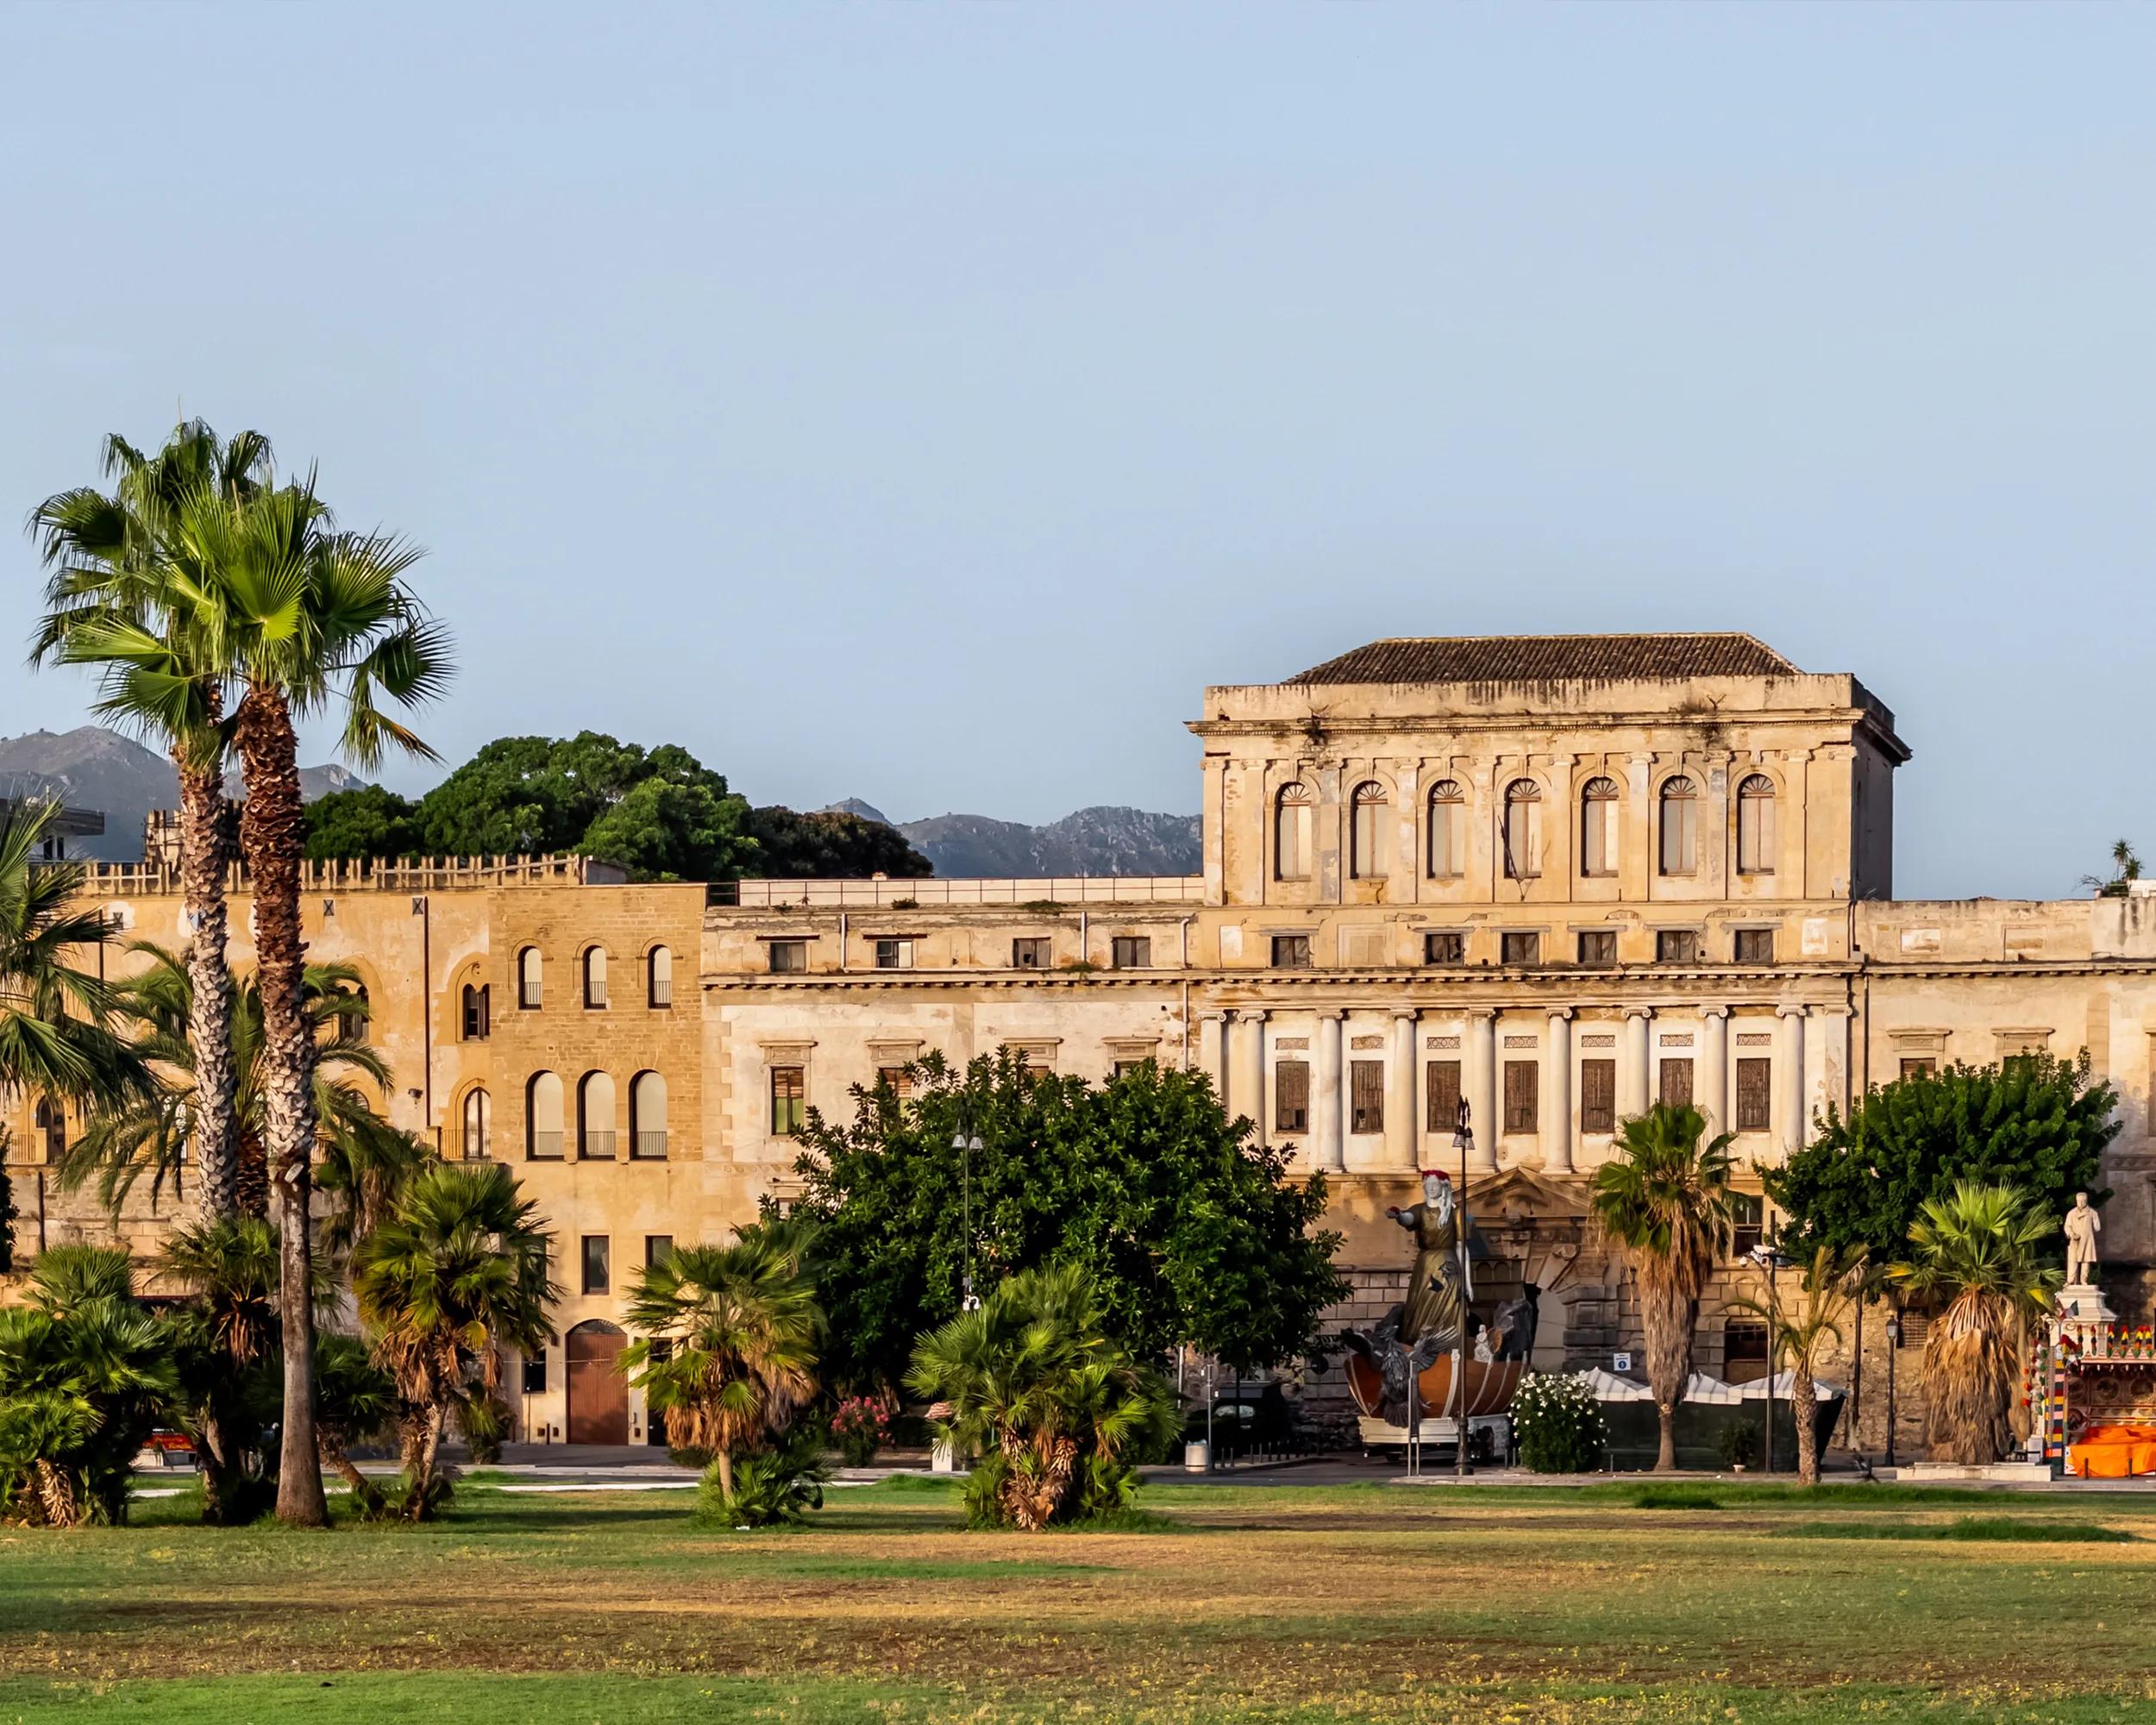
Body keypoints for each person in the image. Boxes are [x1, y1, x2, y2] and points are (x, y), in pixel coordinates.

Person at [1385, 1169, 1468, 1347]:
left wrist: (1467, 1282)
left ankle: (1449, 1351)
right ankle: (1416, 1348)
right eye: (1428, 1184)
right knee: (1418, 1308)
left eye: (1435, 1184)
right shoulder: (1420, 1210)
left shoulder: (1455, 1212)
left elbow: (1461, 1247)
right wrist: (1399, 1215)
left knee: (1449, 1308)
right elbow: (1408, 1218)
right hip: (1425, 1266)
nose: (1431, 1188)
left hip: (1448, 1266)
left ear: (1443, 1187)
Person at [2065, 1190, 2102, 1288]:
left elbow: (2097, 1227)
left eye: (2083, 1201)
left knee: (2086, 1261)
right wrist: (2072, 1234)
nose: (2081, 1203)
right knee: (2073, 1260)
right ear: (2076, 1201)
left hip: (2087, 1240)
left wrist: (2096, 1224)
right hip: (2075, 1240)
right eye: (2079, 1201)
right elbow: (2067, 1226)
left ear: (2086, 1201)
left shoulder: (2092, 1212)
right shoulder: (2071, 1213)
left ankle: (2084, 1280)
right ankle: (2071, 1281)